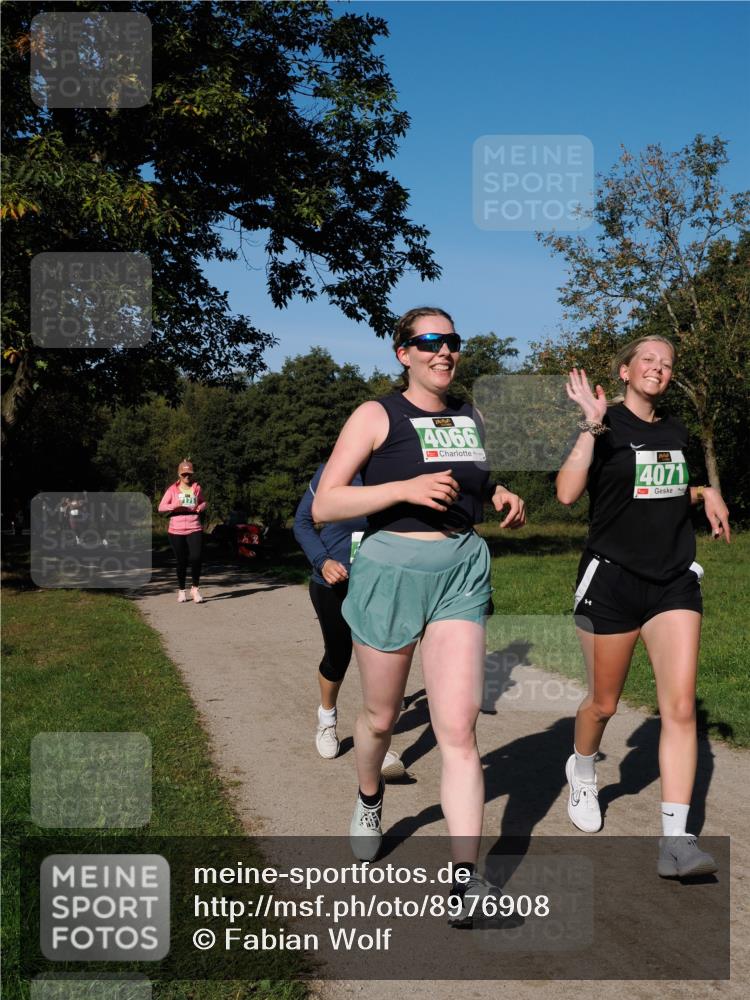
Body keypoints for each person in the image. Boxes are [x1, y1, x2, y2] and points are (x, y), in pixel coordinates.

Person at [311, 306, 525, 918]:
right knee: (381, 718)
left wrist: (498, 492)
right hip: (391, 570)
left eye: (452, 340)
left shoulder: (470, 416)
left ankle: (464, 880)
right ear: (403, 352)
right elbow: (326, 504)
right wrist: (404, 490)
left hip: (460, 569)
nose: (444, 350)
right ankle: (369, 796)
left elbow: (471, 481)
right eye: (430, 341)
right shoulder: (376, 414)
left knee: (459, 731)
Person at [556, 336, 730, 877]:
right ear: (626, 371)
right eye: (648, 360)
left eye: (667, 364)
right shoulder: (604, 425)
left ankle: (676, 842)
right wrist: (590, 426)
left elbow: (664, 488)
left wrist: (703, 492)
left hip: (673, 582)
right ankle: (583, 771)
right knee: (602, 704)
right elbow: (566, 493)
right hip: (611, 581)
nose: (658, 368)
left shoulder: (676, 431)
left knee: (680, 708)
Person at [293, 465, 405, 779]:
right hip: (334, 584)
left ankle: (377, 742)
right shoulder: (335, 470)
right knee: (338, 656)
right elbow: (302, 523)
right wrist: (323, 561)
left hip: (380, 583)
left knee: (382, 659)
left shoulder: (395, 467)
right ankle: (327, 720)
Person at [158, 459, 207, 603]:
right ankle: (181, 590)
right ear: (179, 474)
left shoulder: (197, 488)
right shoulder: (172, 490)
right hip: (176, 530)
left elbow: (203, 502)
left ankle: (195, 589)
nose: (187, 476)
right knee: (181, 561)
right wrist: (174, 505)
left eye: (189, 474)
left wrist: (200, 507)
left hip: (194, 527)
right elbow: (161, 507)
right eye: (184, 474)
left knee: (196, 558)